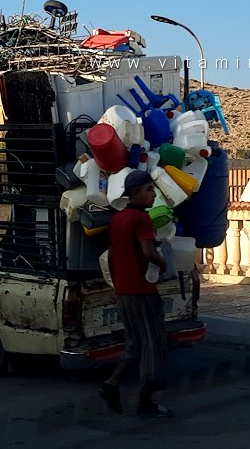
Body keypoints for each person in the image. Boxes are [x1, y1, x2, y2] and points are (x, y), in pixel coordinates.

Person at [99, 169, 173, 418]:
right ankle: (146, 402)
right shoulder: (142, 219)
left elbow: (110, 256)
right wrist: (163, 265)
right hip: (142, 292)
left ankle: (110, 386)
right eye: (149, 190)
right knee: (153, 345)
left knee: (133, 344)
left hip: (124, 292)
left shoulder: (117, 219)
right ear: (135, 194)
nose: (153, 195)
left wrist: (116, 285)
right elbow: (149, 253)